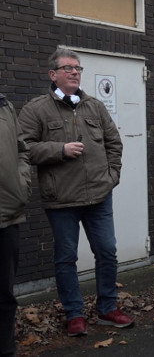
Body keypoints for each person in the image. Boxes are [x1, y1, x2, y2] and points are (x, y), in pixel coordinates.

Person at [18, 48, 133, 337]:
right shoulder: (36, 109)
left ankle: (108, 308)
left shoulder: (94, 106)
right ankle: (74, 314)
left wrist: (112, 177)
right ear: (53, 74)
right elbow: (23, 148)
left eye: (78, 68)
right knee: (66, 257)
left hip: (98, 195)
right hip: (61, 200)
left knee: (107, 251)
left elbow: (114, 144)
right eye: (67, 68)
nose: (74, 72)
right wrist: (59, 150)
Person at [0, 86, 31, 356]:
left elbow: (22, 150)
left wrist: (21, 186)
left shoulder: (4, 106)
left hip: (7, 214)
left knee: (4, 295)